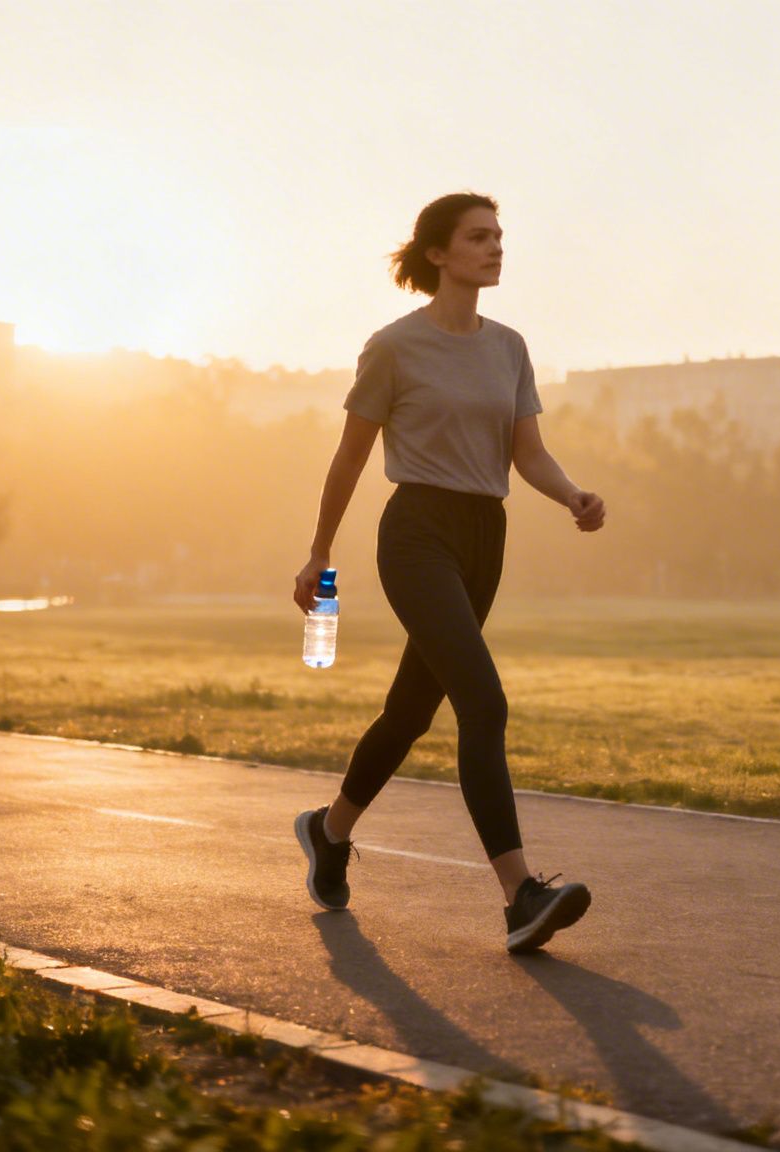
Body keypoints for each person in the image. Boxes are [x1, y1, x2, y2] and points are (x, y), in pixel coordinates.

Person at [293, 192, 606, 953]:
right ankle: (518, 896)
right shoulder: (395, 346)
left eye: (499, 236)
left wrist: (571, 495)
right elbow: (351, 455)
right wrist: (320, 550)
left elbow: (526, 451)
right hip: (417, 533)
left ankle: (328, 834)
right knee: (483, 702)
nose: (495, 247)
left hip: (483, 536)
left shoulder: (509, 346)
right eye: (478, 237)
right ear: (438, 253)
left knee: (410, 711)